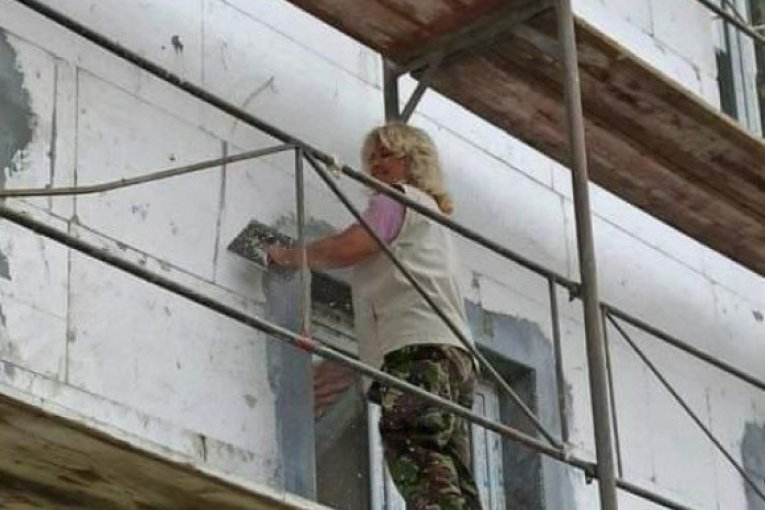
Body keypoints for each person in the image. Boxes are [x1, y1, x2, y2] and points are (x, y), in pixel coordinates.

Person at [267, 122, 482, 510]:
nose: (377, 164)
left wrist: (289, 256)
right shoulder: (432, 217)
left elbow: (351, 246)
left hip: (416, 349)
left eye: (388, 154)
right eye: (373, 157)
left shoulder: (396, 199)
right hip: (454, 358)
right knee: (449, 463)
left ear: (413, 161)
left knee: (414, 449)